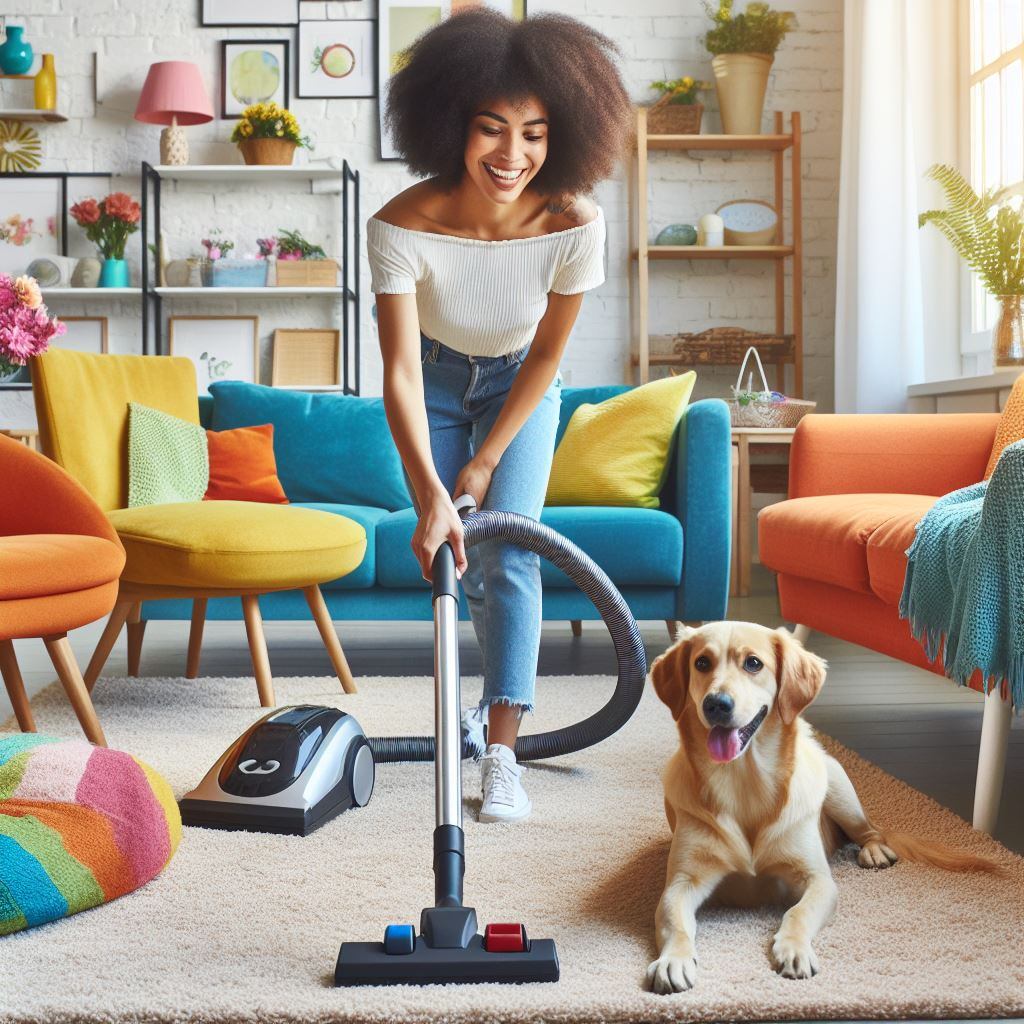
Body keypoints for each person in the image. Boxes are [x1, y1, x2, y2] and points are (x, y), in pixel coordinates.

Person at [367, 7, 633, 823]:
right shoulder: (401, 224)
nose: (511, 156)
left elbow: (549, 358)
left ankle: (504, 753)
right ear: (452, 125)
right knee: (452, 554)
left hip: (522, 383)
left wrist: (483, 467)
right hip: (437, 384)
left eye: (535, 133)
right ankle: (461, 720)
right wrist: (430, 493)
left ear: (565, 136)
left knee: (510, 550)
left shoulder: (574, 223)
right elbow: (402, 371)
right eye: (491, 130)